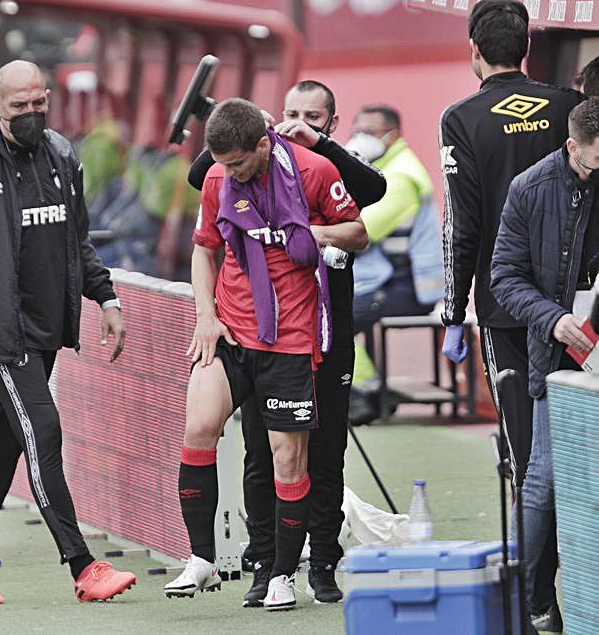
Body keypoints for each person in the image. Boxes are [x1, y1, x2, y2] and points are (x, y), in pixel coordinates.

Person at [0, 60, 136, 605]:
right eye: (19, 106)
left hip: (46, 329)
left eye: (38, 103)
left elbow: (78, 242)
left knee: (2, 449)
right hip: (0, 331)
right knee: (42, 431)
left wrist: (106, 297)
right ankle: (83, 566)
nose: (31, 114)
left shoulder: (65, 155)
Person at [163, 98, 365, 610]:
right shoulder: (215, 179)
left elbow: (357, 232)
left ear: (262, 143)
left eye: (236, 163)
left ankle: (283, 575)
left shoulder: (314, 171)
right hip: (231, 331)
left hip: (292, 339)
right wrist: (206, 316)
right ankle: (203, 560)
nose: (227, 172)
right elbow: (205, 248)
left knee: (288, 459)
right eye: (220, 163)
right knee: (198, 428)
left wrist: (312, 234)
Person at [439, 0, 582, 631]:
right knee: (575, 443)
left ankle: (537, 600)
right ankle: (568, 587)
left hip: (505, 310)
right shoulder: (568, 108)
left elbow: (460, 224)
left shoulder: (461, 119)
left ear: (473, 50)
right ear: (524, 48)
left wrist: (450, 310)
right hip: (575, 304)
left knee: (528, 455)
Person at [237, 81, 386, 607]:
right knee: (261, 454)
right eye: (291, 114)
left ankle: (323, 563)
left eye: (313, 117)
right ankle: (264, 565)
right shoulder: (253, 162)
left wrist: (318, 144)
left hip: (328, 332)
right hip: (265, 336)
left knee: (325, 452)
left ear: (332, 122)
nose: (299, 124)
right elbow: (200, 176)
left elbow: (374, 189)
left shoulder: (329, 167)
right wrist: (255, 134)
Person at [490, 97, 599, 634]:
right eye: (593, 164)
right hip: (558, 353)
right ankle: (531, 601)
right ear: (571, 145)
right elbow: (503, 278)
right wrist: (553, 321)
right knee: (545, 481)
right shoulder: (530, 188)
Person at [347, 104, 445, 424]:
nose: (361, 138)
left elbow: (361, 229)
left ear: (393, 135)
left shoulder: (399, 177)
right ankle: (373, 393)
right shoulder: (383, 168)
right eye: (357, 131)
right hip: (389, 282)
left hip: (407, 288)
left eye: (370, 133)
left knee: (335, 320)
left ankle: (363, 395)